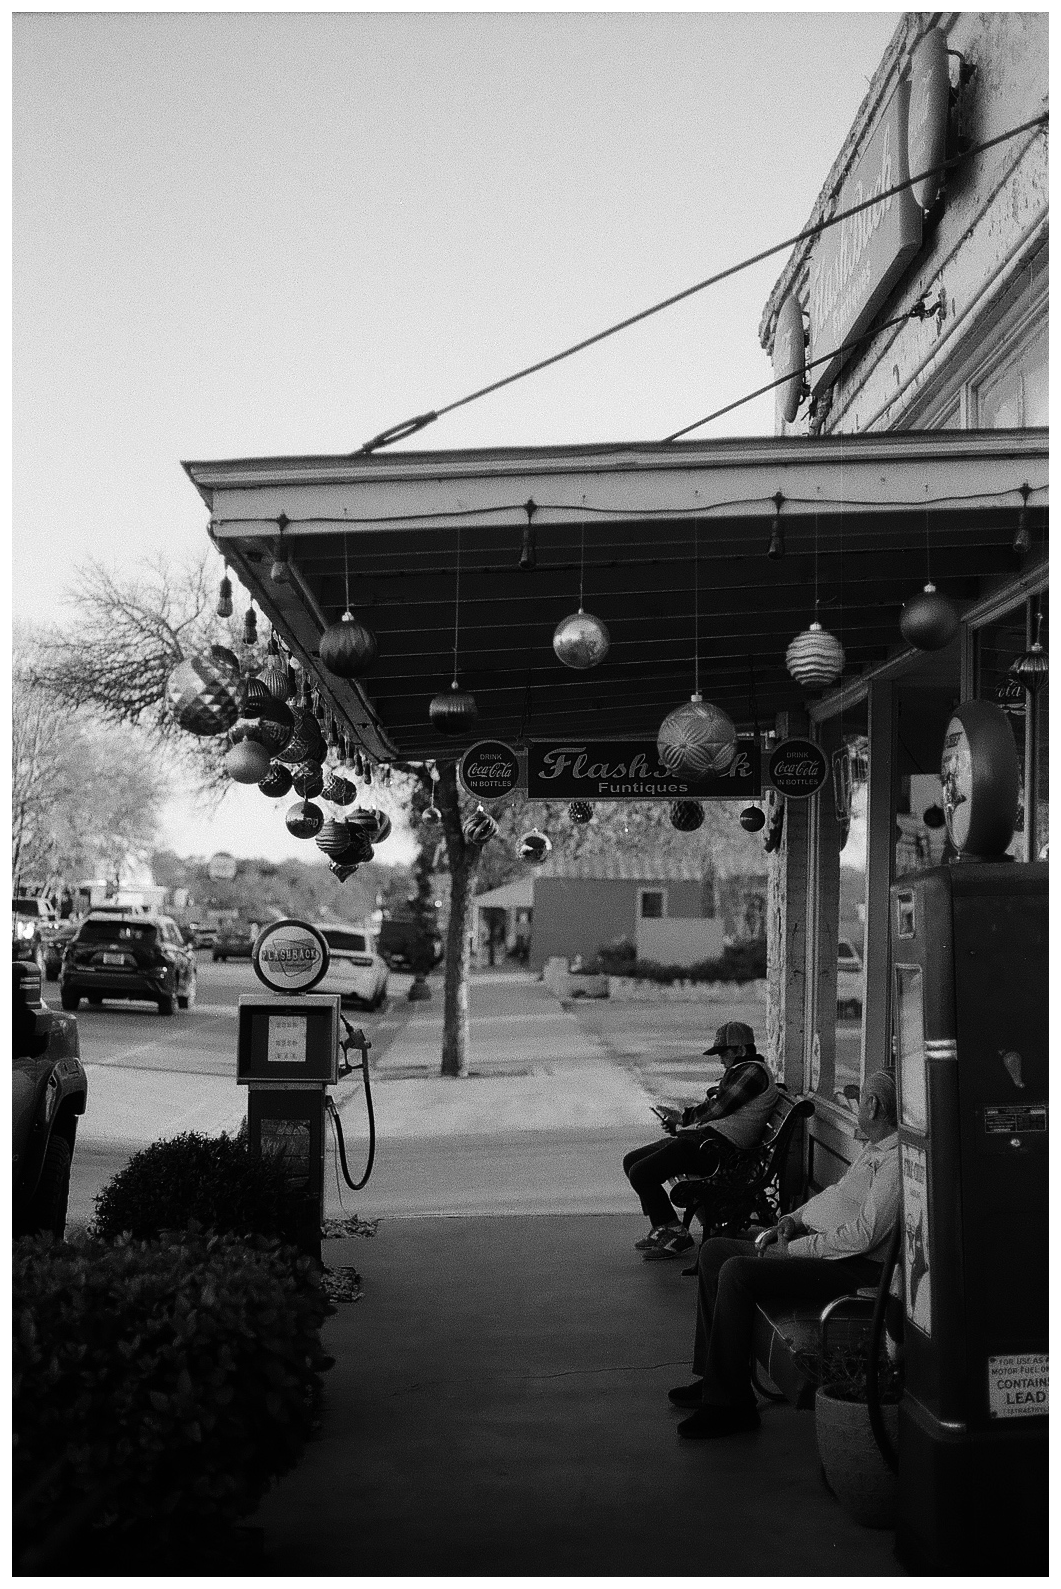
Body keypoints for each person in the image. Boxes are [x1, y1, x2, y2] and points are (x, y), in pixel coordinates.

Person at [667, 1070, 900, 1439]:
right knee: (714, 1251)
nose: (856, 1107)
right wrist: (792, 1219)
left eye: (860, 1100)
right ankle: (716, 1380)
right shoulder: (874, 1149)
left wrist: (792, 1249)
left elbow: (864, 1236)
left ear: (872, 1105)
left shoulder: (895, 1162)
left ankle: (730, 1406)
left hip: (855, 1269)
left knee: (738, 1271)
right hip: (822, 1250)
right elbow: (834, 1194)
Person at [622, 1022, 778, 1261]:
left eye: (724, 1053)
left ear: (741, 1049)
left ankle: (676, 1233)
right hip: (707, 1141)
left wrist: (683, 1120)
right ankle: (662, 1226)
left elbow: (719, 1107)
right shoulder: (741, 1070)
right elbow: (717, 1108)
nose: (720, 1059)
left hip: (722, 1151)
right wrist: (680, 1124)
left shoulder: (753, 1072)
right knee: (632, 1160)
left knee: (641, 1172)